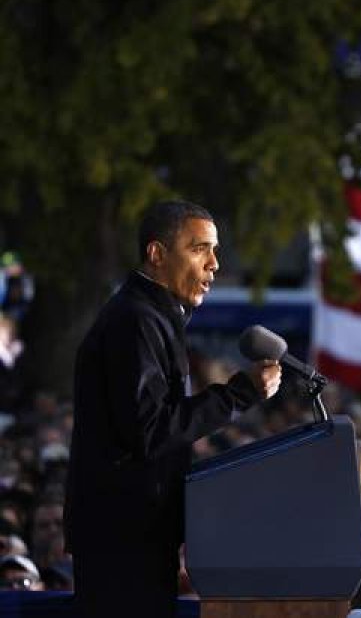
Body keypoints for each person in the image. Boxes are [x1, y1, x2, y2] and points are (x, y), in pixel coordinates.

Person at [64, 200, 281, 617]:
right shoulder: (136, 319)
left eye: (215, 250)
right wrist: (238, 394)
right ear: (157, 254)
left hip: (136, 536)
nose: (214, 264)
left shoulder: (154, 316)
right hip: (122, 542)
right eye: (200, 248)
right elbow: (149, 430)